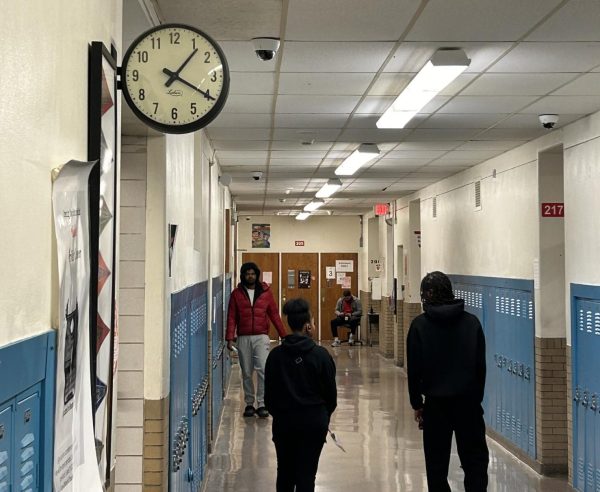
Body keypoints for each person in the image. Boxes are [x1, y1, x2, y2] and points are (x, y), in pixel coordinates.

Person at [406, 271, 489, 492]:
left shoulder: (419, 326)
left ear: (426, 296)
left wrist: (417, 403)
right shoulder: (472, 324)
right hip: (468, 405)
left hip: (436, 407)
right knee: (475, 464)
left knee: (436, 466)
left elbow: (414, 370)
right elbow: (480, 368)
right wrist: (474, 400)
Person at [265, 298, 337, 492]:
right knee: (306, 475)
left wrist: (282, 414)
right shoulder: (321, 356)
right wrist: (322, 416)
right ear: (307, 326)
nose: (313, 325)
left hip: (285, 424)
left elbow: (268, 399)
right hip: (314, 424)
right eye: (313, 322)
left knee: (285, 474)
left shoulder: (275, 356)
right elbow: (331, 397)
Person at [226, 262, 287, 418]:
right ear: (243, 276)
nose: (250, 276)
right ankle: (249, 404)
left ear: (257, 275)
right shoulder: (236, 294)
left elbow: (274, 314)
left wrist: (284, 335)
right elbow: (232, 316)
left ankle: (262, 404)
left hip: (261, 336)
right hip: (243, 337)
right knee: (246, 372)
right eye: (247, 274)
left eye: (253, 273)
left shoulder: (266, 292)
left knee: (263, 370)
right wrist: (229, 337)